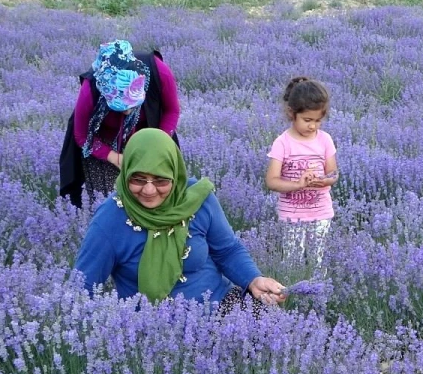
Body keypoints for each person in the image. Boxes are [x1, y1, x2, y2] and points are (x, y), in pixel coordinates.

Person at [73, 128, 286, 308]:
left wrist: (253, 279)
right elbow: (83, 286)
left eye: (161, 180)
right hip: (153, 330)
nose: (149, 190)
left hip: (218, 306)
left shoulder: (197, 199)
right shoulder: (111, 218)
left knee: (272, 329)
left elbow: (227, 250)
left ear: (175, 175)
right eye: (138, 179)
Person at [59, 39, 181, 208]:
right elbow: (82, 135)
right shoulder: (91, 88)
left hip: (150, 136)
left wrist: (158, 142)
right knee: (113, 204)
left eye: (132, 104)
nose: (127, 112)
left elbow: (172, 111)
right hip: (104, 145)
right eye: (119, 106)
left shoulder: (158, 72)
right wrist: (114, 157)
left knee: (157, 196)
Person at [264, 77, 338, 268]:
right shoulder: (282, 143)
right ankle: (293, 296)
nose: (313, 126)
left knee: (317, 260)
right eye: (307, 120)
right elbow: (271, 181)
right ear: (291, 114)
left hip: (321, 211)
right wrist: (298, 184)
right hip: (292, 214)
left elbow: (333, 173)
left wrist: (324, 181)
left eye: (318, 121)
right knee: (293, 261)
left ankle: (317, 295)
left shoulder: (325, 140)